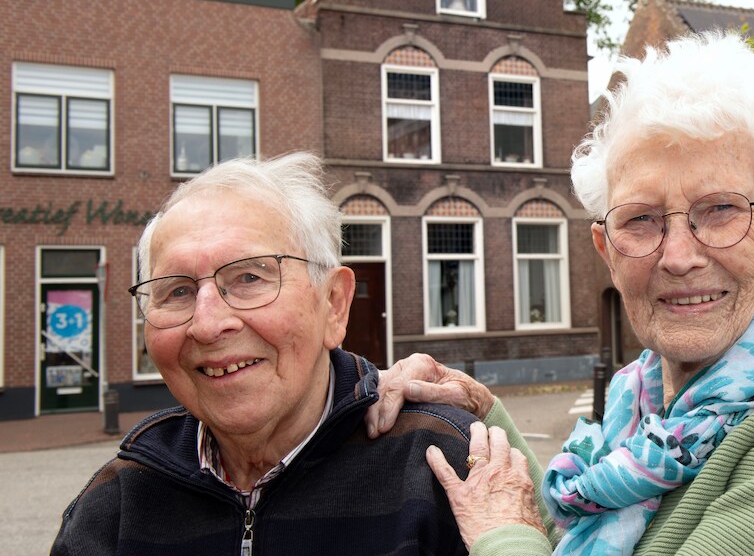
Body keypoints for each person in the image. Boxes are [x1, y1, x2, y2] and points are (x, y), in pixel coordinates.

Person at [367, 32, 754, 555]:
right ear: (607, 252)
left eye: (721, 209)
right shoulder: (648, 407)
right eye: (641, 220)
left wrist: (500, 532)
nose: (677, 256)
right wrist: (482, 416)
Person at [52, 152, 474, 555]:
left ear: (333, 305)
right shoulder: (116, 504)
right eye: (177, 291)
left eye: (249, 277)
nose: (207, 323)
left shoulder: (448, 468)